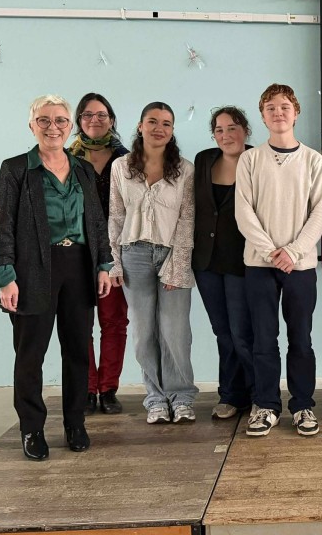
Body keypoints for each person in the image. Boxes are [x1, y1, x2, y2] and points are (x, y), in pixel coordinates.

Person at [0, 95, 112, 460]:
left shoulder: (83, 169)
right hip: (32, 269)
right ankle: (32, 429)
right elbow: (2, 226)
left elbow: (96, 221)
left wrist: (104, 264)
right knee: (30, 354)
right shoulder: (15, 169)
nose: (52, 127)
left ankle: (75, 423)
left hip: (79, 266)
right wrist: (5, 275)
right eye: (44, 120)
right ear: (32, 126)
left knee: (78, 350)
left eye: (59, 120)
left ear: (69, 126)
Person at [235, 84, 322, 437]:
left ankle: (303, 405)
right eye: (271, 107)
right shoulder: (250, 160)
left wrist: (293, 251)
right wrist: (270, 251)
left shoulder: (313, 160)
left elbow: (320, 211)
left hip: (300, 266)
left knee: (301, 338)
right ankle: (266, 406)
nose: (278, 112)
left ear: (296, 112)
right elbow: (243, 211)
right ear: (262, 116)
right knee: (263, 339)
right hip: (259, 265)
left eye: (285, 106)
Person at [109, 102, 197, 425]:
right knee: (143, 332)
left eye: (166, 123)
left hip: (173, 253)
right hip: (133, 255)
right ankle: (156, 399)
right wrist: (114, 262)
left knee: (175, 331)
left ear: (172, 130)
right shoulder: (121, 167)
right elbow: (116, 216)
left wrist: (178, 264)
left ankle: (181, 397)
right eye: (153, 121)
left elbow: (187, 220)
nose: (159, 128)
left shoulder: (185, 170)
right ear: (140, 125)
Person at [68, 93, 130, 416]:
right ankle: (87, 388)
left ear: (112, 120)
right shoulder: (65, 159)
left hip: (115, 251)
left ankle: (108, 389)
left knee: (114, 320)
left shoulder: (127, 159)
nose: (95, 120)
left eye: (102, 115)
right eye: (88, 115)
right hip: (76, 252)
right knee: (80, 323)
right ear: (79, 121)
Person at [193, 106, 254, 420]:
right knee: (223, 332)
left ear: (245, 130)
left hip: (243, 260)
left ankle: (259, 396)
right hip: (206, 261)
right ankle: (231, 395)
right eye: (219, 129)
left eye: (232, 128)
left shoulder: (258, 160)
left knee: (243, 333)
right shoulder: (204, 160)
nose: (226, 135)